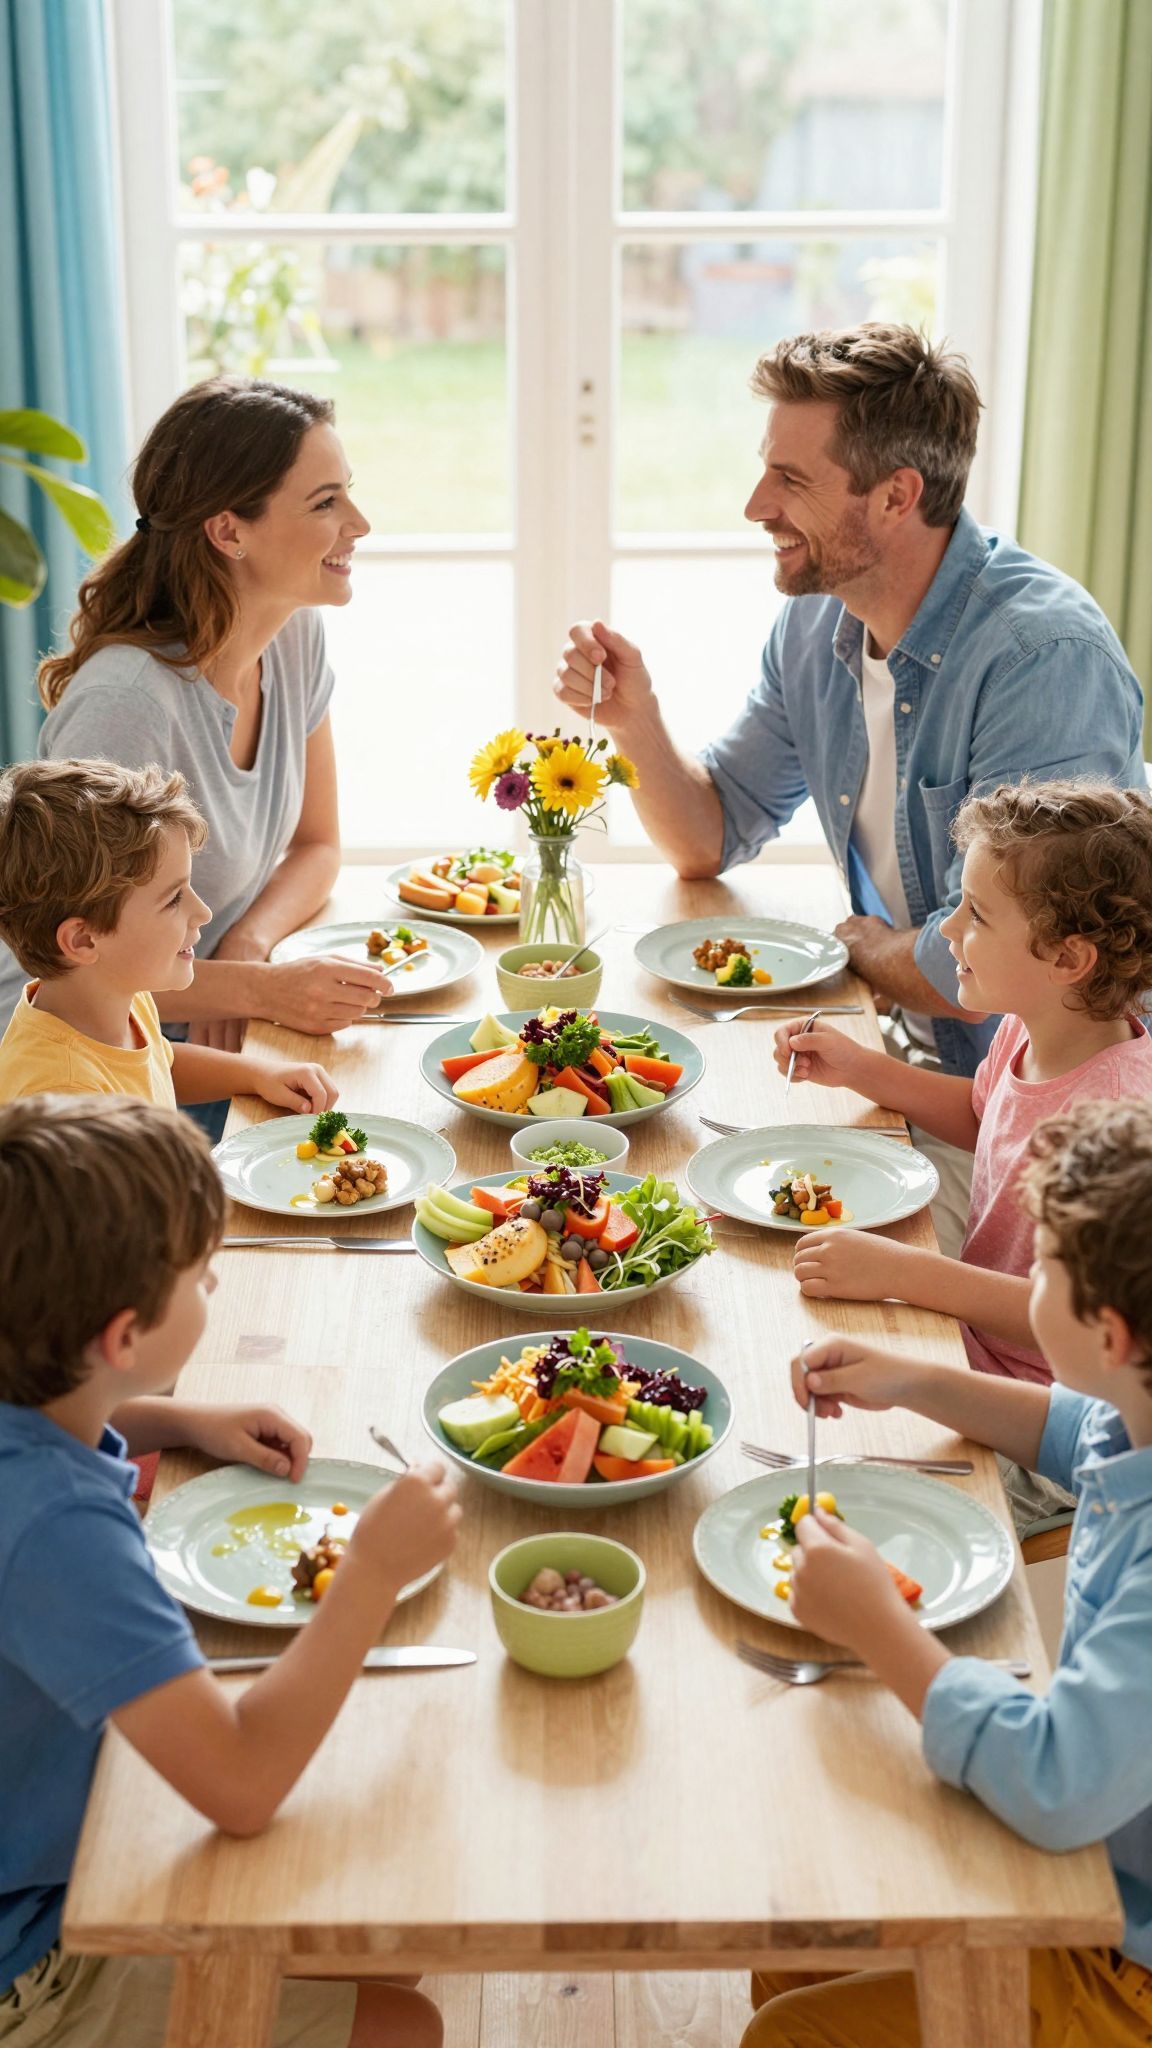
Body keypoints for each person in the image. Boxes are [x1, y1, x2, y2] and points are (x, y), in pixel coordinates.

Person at [553, 324, 1145, 1251]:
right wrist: (636, 722)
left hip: (1063, 1141)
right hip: (929, 1066)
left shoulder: (1040, 659)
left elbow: (990, 976)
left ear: (896, 496)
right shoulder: (815, 629)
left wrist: (865, 953)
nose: (755, 505)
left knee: (750, 1242)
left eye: (791, 480)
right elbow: (710, 834)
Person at [0, 1092, 459, 2048]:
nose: (215, 1290)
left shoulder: (37, 1420)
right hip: (32, 1958)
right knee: (403, 2022)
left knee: (385, 1930)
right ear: (124, 1340)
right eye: (206, 1279)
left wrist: (177, 1418)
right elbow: (242, 1786)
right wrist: (370, 1571)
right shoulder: (57, 1526)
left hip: (64, 1829)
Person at [741, 1094, 1152, 2048]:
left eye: (1041, 1270)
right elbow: (1067, 1428)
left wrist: (881, 1624)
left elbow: (1057, 1783)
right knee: (794, 1934)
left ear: (1112, 1337)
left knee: (788, 2037)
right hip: (1093, 1866)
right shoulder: (1134, 1409)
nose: (1023, 1280)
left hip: (1122, 1961)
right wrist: (912, 1377)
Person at [0, 376, 392, 1081]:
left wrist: (251, 942)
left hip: (202, 1022)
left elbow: (318, 844)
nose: (358, 523)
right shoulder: (128, 707)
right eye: (325, 502)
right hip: (90, 1068)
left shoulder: (294, 638)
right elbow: (83, 971)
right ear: (228, 530)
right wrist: (260, 989)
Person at [772, 781, 1152, 1428]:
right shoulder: (1029, 1027)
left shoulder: (1119, 1117)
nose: (947, 928)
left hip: (1046, 1410)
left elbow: (1073, 1319)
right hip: (973, 1345)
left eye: (975, 914)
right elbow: (986, 1120)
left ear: (1068, 957)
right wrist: (863, 1069)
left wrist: (907, 1273)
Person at [0, 759, 336, 1117]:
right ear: (83, 940)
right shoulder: (65, 1101)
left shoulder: (115, 997)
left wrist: (259, 1074)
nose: (203, 912)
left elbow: (159, 1064)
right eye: (173, 899)